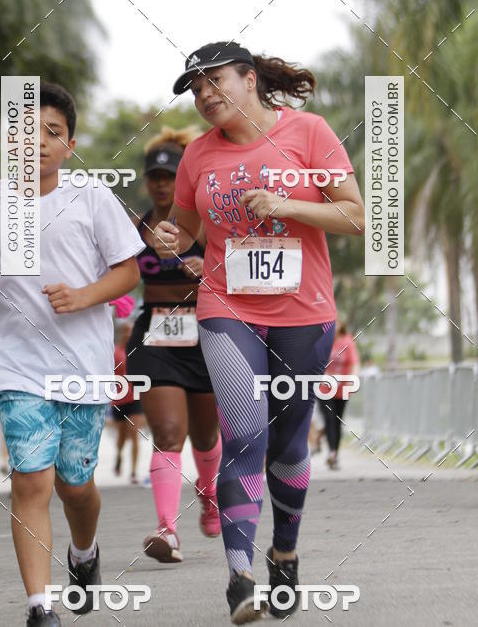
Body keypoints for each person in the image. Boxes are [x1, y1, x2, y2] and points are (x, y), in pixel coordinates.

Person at [152, 41, 364, 623]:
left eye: (214, 82)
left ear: (249, 79)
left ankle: (285, 553)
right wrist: (169, 239)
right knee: (244, 432)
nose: (204, 96)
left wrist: (285, 205)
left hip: (305, 311)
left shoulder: (310, 134)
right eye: (195, 89)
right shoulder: (197, 155)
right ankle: (240, 576)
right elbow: (188, 228)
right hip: (227, 306)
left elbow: (357, 216)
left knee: (291, 443)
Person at [0, 82, 145, 627]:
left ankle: (85, 554)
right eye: (23, 131)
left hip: (83, 364)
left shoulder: (92, 197)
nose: (35, 142)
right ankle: (41, 607)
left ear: (70, 144)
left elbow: (128, 270)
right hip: (17, 363)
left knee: (74, 484)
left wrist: (83, 296)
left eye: (51, 133)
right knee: (31, 479)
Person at [126, 126, 222, 563]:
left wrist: (211, 266)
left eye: (171, 176)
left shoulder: (207, 222)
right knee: (168, 432)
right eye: (155, 177)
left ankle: (210, 496)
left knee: (206, 435)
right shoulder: (134, 225)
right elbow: (119, 277)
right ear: (147, 181)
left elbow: (242, 261)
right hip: (155, 335)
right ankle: (167, 530)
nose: (162, 184)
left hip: (205, 333)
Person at [110, 297, 147, 484]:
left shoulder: (139, 350)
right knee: (122, 438)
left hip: (135, 399)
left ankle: (133, 472)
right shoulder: (115, 352)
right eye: (125, 331)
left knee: (134, 435)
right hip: (118, 400)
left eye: (131, 331)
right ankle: (118, 454)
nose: (128, 334)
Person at [317, 320, 360, 470]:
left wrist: (353, 380)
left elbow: (354, 363)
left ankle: (334, 454)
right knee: (329, 419)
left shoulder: (347, 342)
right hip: (323, 388)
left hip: (342, 388)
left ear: (341, 326)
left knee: (337, 421)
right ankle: (332, 454)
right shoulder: (321, 341)